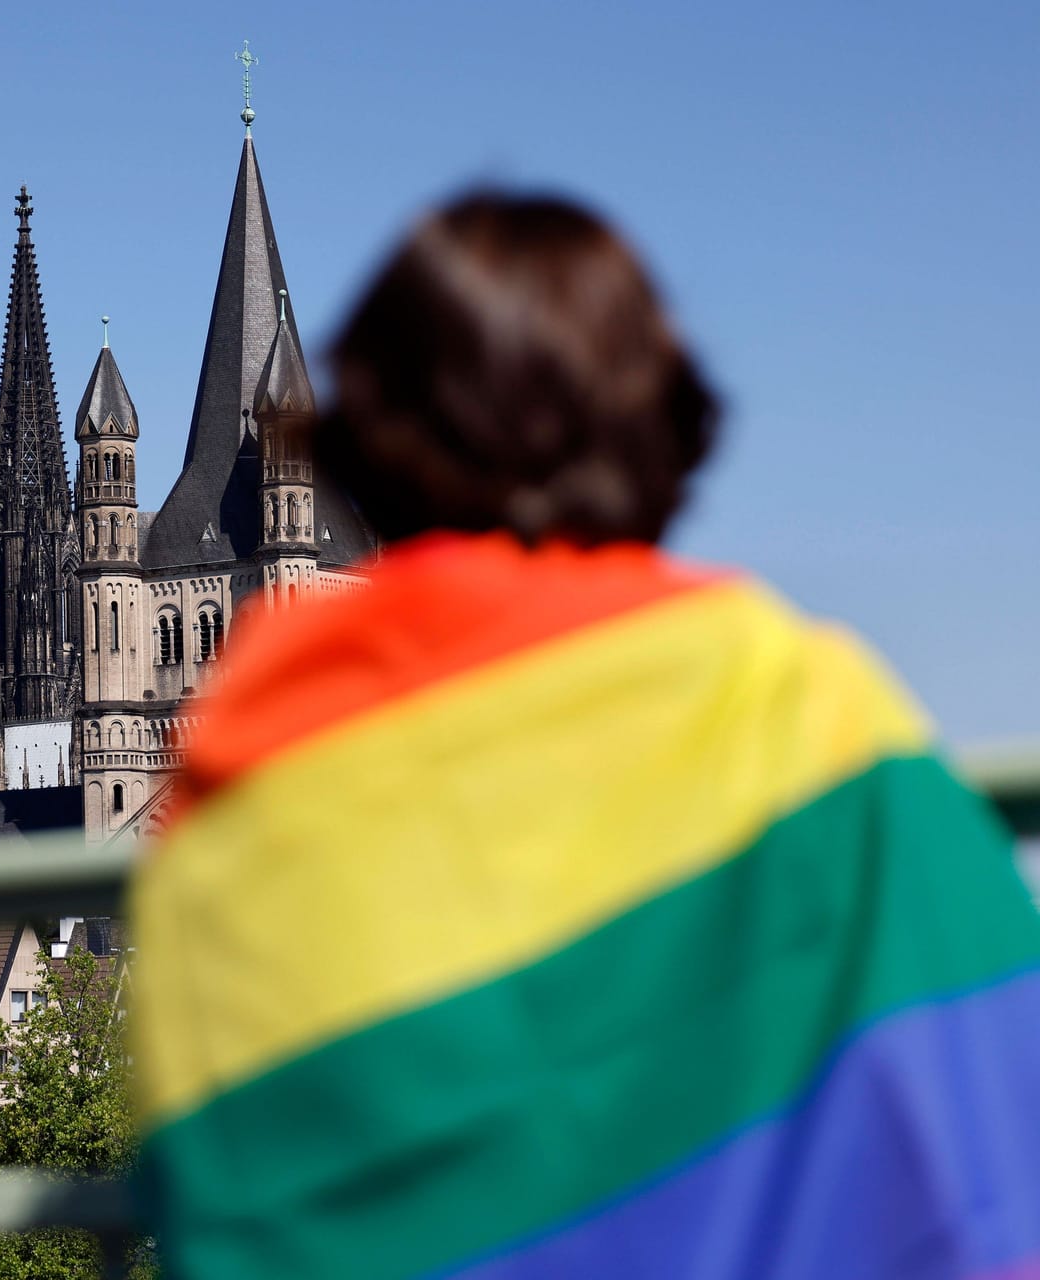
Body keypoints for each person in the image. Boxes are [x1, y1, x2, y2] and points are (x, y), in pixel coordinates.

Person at [128, 194, 1040, 1278]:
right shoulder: (799, 702)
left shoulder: (240, 773)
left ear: (362, 453)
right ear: (667, 437)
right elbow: (995, 1116)